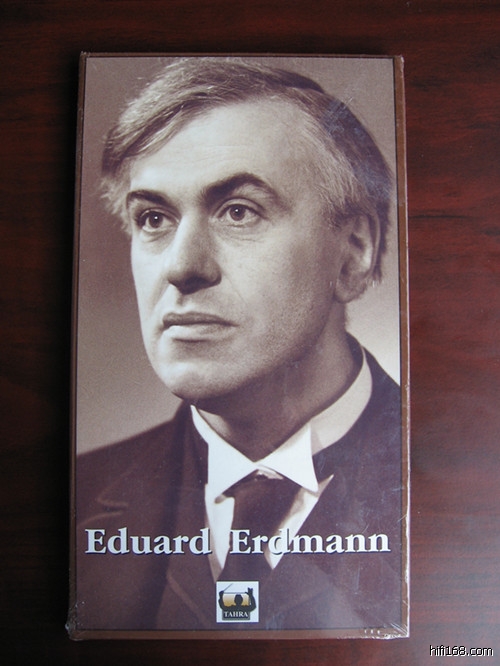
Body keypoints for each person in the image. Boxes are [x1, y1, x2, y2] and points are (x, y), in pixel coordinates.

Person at [74, 57, 404, 635]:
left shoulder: (466, 487)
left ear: (354, 253)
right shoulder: (75, 495)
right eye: (153, 218)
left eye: (238, 212)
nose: (181, 266)